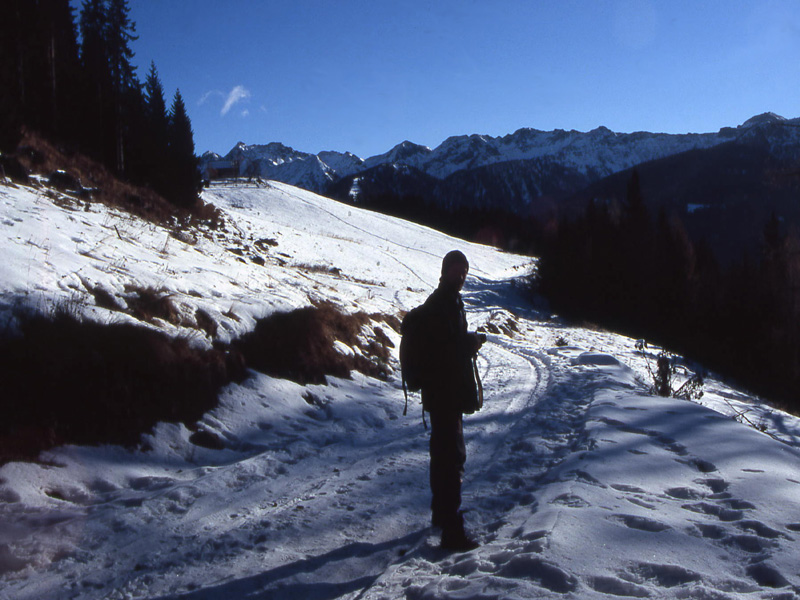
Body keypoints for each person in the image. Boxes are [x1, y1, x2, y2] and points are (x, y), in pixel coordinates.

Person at [421, 250, 485, 551]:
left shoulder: (445, 302)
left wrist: (465, 342)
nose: (461, 277)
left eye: (464, 273)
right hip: (445, 393)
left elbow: (444, 345)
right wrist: (469, 343)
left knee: (442, 454)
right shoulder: (443, 305)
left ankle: (441, 514)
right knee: (452, 459)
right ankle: (452, 531)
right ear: (445, 271)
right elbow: (444, 351)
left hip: (441, 393)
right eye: (457, 271)